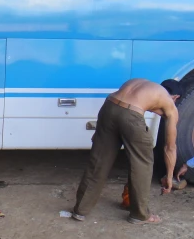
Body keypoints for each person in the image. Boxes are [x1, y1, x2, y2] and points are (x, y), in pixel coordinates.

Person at [72, 78, 184, 224]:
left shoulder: (143, 84)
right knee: (142, 164)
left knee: (99, 160)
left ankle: (80, 210)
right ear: (176, 97)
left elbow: (123, 106)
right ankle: (139, 214)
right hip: (131, 115)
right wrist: (169, 176)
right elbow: (170, 147)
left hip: (109, 106)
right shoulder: (169, 102)